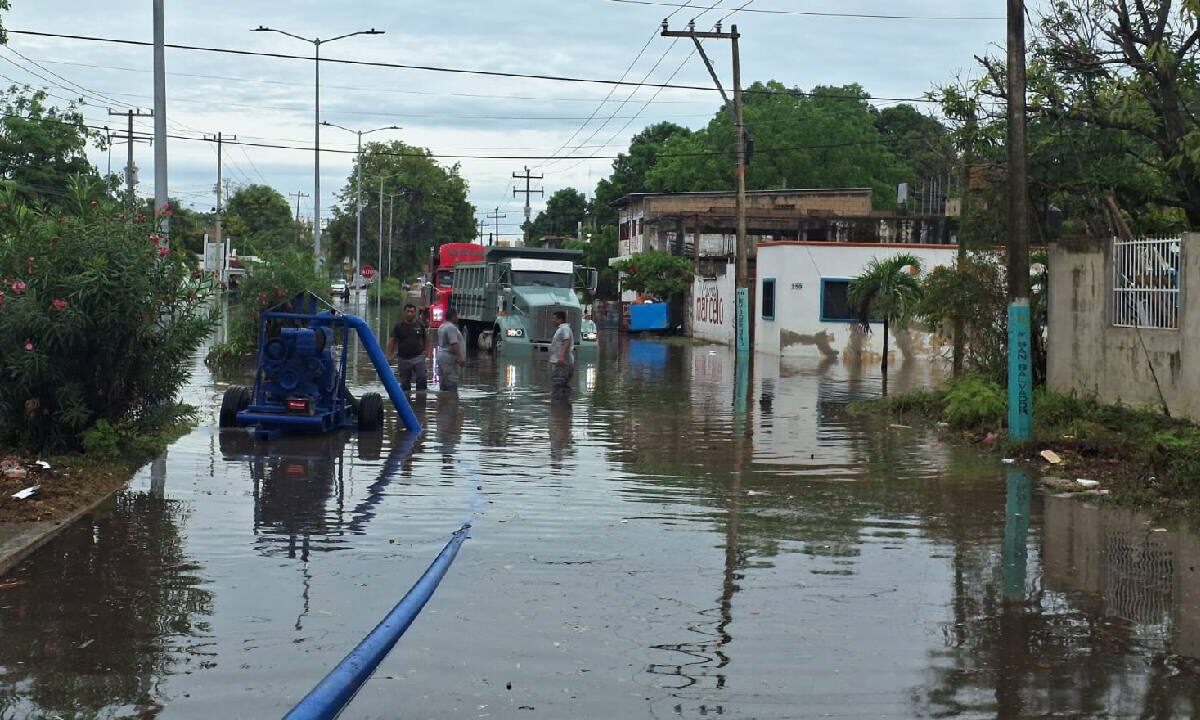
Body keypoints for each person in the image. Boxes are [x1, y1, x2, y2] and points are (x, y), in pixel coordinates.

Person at [387, 303, 428, 393]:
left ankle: (420, 402)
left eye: (412, 312)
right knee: (405, 384)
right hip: (403, 358)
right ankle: (406, 402)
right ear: (404, 313)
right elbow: (392, 340)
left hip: (418, 357)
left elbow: (425, 338)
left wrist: (425, 350)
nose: (410, 314)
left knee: (422, 378)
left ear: (415, 313)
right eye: (408, 311)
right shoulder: (398, 326)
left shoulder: (420, 325)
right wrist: (389, 355)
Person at [436, 308, 466, 392]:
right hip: (449, 358)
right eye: (456, 316)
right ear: (453, 317)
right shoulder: (451, 328)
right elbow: (454, 343)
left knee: (443, 383)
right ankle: (452, 402)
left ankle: (442, 402)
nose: (457, 318)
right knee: (451, 384)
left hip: (441, 356)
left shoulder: (442, 326)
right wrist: (460, 358)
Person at [548, 310, 574, 394]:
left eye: (554, 319)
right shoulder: (563, 329)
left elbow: (566, 341)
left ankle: (559, 405)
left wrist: (561, 357)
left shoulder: (564, 329)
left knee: (558, 386)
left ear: (560, 320)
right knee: (563, 387)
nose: (552, 320)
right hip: (562, 362)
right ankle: (565, 404)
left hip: (562, 364)